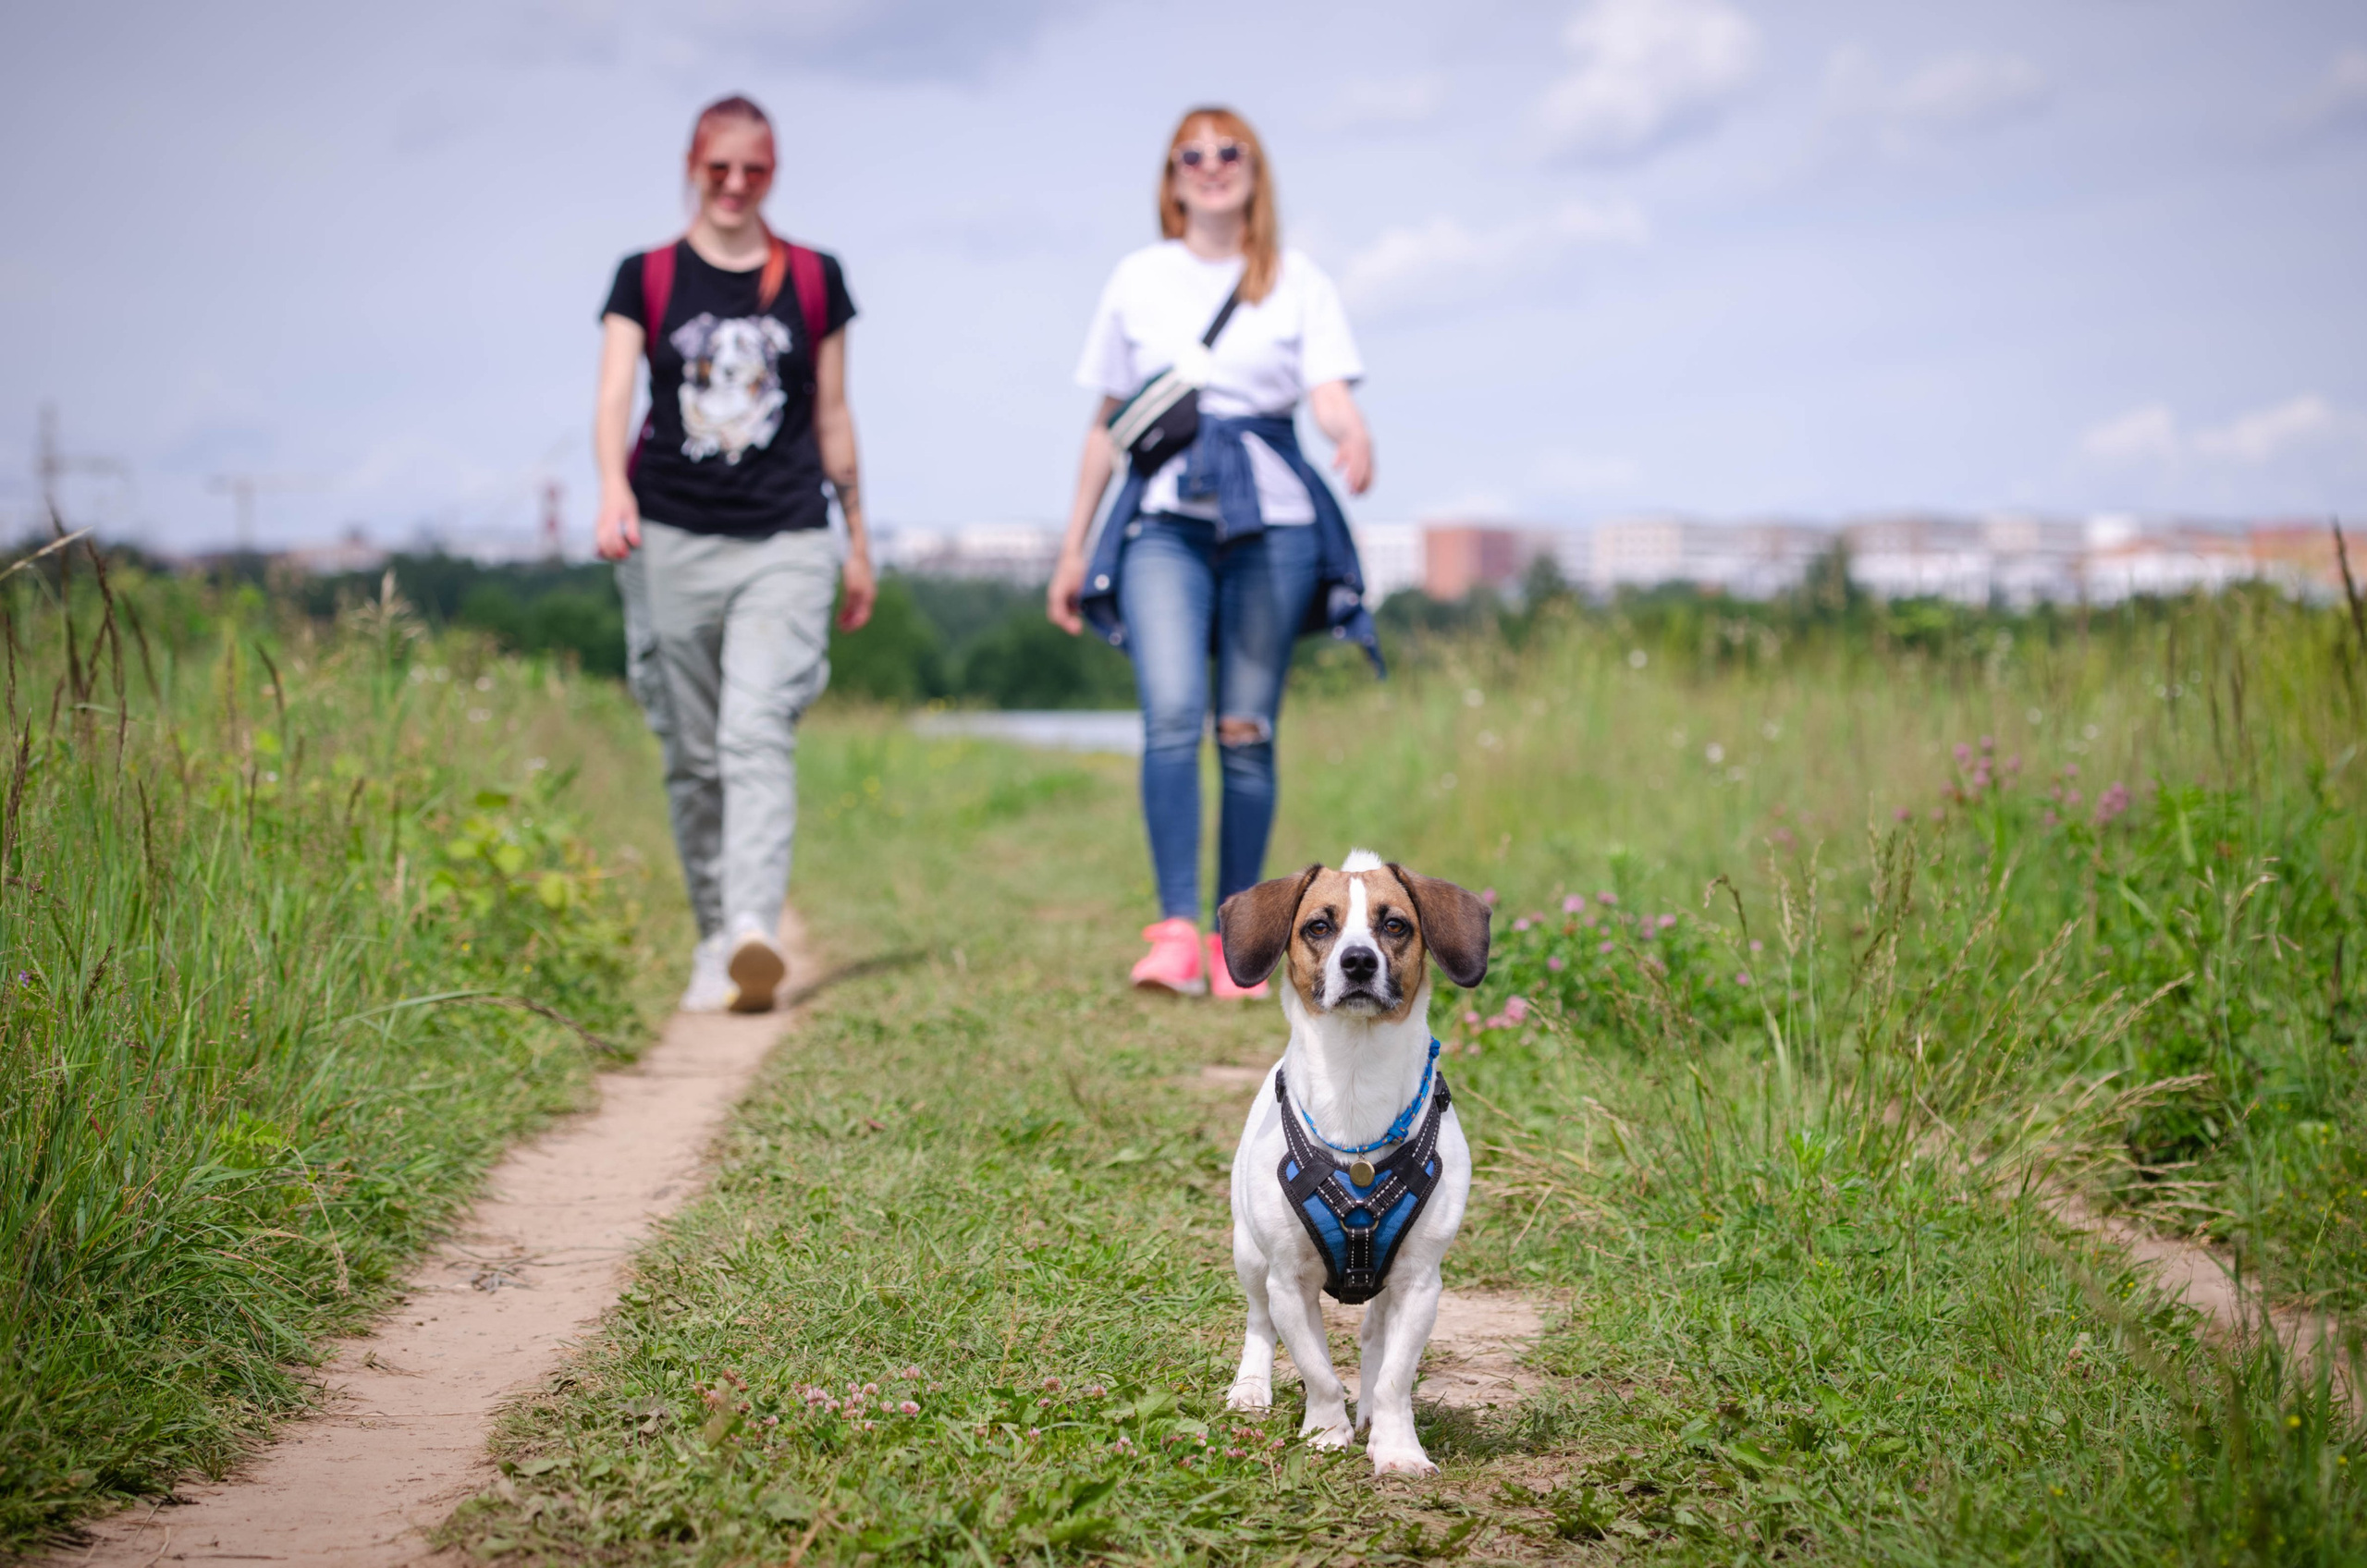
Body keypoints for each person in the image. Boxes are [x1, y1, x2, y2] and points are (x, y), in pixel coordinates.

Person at [1049, 105, 1382, 999]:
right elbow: (1105, 428)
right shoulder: (1138, 278)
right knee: (1171, 714)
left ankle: (1240, 941)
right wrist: (1073, 548)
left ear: (1254, 169)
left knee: (1245, 729)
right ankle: (1171, 934)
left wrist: (1352, 436)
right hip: (1164, 522)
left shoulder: (1297, 279)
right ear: (1170, 177)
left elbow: (1329, 395)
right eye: (1189, 154)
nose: (1210, 166)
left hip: (1273, 525)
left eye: (1227, 151)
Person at [593, 94, 875, 1013]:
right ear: (693, 164)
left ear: (773, 172)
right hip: (670, 531)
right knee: (692, 753)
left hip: (787, 534)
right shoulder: (646, 275)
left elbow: (833, 412)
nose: (735, 184)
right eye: (719, 167)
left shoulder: (813, 277)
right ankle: (714, 933)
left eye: (753, 169)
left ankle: (753, 924)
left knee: (754, 730)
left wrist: (857, 539)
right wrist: (612, 493)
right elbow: (612, 398)